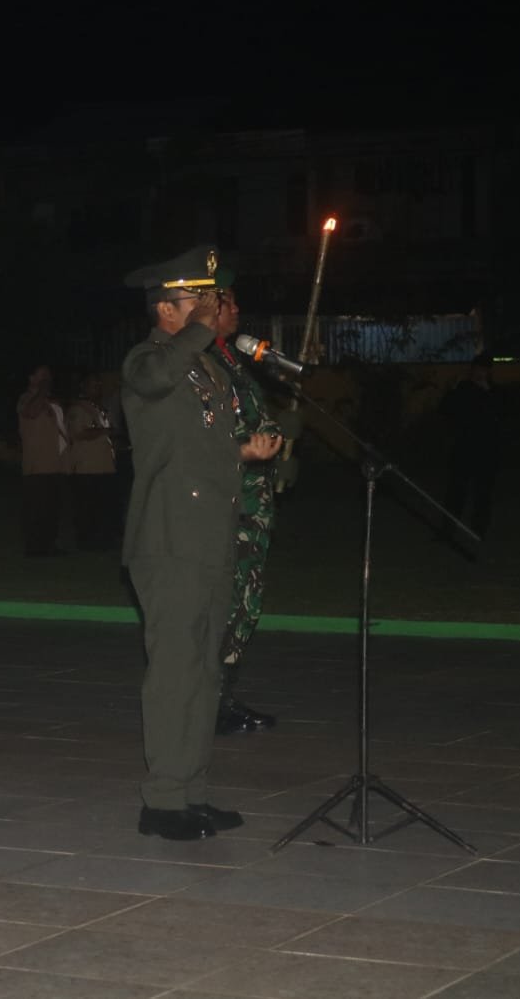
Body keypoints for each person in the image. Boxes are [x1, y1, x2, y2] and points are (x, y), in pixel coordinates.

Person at [120, 245, 280, 841]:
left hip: (211, 534)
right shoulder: (147, 359)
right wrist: (200, 330)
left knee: (205, 672)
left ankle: (192, 791)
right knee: (174, 672)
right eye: (200, 299)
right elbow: (155, 381)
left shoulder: (205, 369)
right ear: (166, 309)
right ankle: (162, 802)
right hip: (169, 538)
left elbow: (194, 448)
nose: (213, 309)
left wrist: (243, 452)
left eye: (214, 299)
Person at [209, 285, 283, 734]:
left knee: (246, 603)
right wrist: (248, 448)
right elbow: (208, 435)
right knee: (227, 601)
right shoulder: (202, 363)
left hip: (254, 499)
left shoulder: (233, 358)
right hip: (229, 501)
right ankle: (211, 703)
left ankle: (225, 697)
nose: (237, 310)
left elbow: (256, 415)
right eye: (228, 303)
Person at [439, 353, 500, 540]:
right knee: (456, 491)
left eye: (484, 369)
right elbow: (446, 409)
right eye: (477, 369)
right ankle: (448, 529)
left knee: (483, 493)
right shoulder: (463, 388)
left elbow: (499, 417)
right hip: (463, 448)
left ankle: (478, 530)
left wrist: (488, 392)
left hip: (485, 450)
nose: (480, 373)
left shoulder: (494, 391)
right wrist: (451, 389)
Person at [17, 364, 69, 556]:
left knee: (52, 508)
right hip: (37, 464)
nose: (47, 378)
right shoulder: (26, 399)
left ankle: (49, 544)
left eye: (48, 375)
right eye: (42, 375)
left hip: (56, 463)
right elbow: (31, 412)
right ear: (31, 378)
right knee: (37, 508)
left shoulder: (51, 403)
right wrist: (42, 390)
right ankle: (35, 547)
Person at [67, 373, 120, 549]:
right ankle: (86, 541)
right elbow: (78, 433)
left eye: (99, 385)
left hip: (104, 466)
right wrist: (104, 432)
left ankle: (102, 539)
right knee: (86, 508)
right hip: (87, 467)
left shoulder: (100, 409)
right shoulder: (78, 409)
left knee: (103, 507)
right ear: (84, 387)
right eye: (93, 385)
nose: (97, 388)